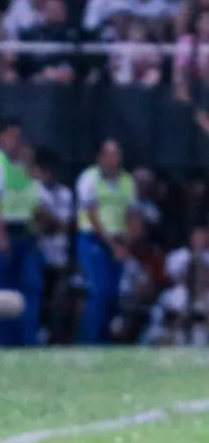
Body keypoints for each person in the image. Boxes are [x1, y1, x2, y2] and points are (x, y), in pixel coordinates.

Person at [0, 119, 44, 346]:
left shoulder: (25, 165)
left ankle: (27, 339)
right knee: (2, 288)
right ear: (1, 138)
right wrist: (1, 237)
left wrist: (31, 165)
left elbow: (36, 195)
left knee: (30, 286)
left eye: (19, 137)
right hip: (3, 233)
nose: (16, 143)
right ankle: (0, 341)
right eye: (12, 137)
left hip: (26, 233)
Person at [75, 139, 134, 343]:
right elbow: (92, 215)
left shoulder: (127, 181)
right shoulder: (88, 179)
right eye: (109, 154)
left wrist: (126, 243)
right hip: (94, 240)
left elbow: (131, 213)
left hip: (118, 241)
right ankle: (89, 343)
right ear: (100, 157)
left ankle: (106, 342)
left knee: (113, 293)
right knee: (98, 290)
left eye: (117, 154)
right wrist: (112, 245)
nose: (113, 159)